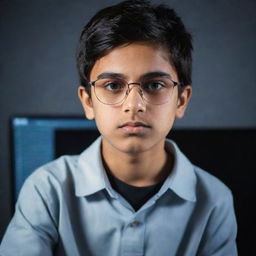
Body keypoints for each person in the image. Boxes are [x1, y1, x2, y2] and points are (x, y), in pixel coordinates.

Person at [0, 0, 238, 255]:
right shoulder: (47, 189)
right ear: (88, 101)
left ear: (181, 100)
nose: (133, 105)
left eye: (154, 85)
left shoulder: (214, 200)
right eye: (113, 85)